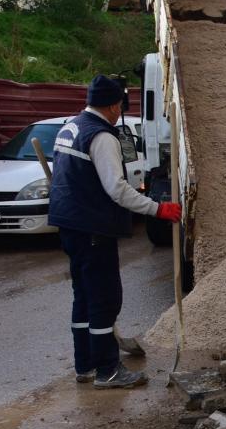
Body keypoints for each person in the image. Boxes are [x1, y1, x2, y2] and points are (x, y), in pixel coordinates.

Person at [48, 75, 182, 389]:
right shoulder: (101, 136)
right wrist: (157, 208)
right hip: (93, 228)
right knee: (104, 300)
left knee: (83, 298)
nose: (120, 110)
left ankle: (86, 366)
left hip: (71, 225)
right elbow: (117, 189)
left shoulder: (73, 126)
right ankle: (108, 370)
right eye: (120, 104)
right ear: (112, 105)